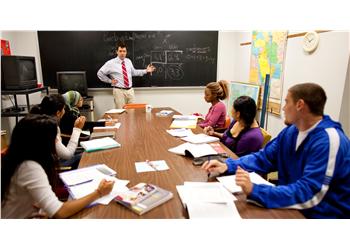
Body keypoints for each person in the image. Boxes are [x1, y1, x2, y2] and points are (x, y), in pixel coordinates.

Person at [202, 83, 350, 218]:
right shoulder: (291, 132)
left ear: (300, 105)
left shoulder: (329, 141)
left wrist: (255, 190)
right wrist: (228, 165)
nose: (284, 108)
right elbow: (263, 158)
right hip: (291, 208)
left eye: (286, 102)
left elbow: (311, 194)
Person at [1, 114, 114, 218]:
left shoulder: (17, 158)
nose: (56, 142)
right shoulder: (28, 167)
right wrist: (99, 192)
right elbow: (59, 212)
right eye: (54, 138)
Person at [30, 94, 86, 169]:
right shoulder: (49, 128)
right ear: (58, 112)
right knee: (85, 155)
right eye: (63, 109)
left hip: (48, 162)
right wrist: (77, 129)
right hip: (51, 167)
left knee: (84, 152)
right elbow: (68, 155)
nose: (64, 111)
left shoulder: (39, 121)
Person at [97, 41, 156, 109]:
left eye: (124, 51)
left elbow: (133, 72)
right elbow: (100, 73)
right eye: (120, 51)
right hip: (119, 91)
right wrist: (110, 81)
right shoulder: (110, 63)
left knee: (132, 112)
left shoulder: (128, 61)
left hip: (130, 91)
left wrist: (146, 70)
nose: (122, 53)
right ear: (117, 52)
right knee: (121, 113)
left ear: (126, 52)